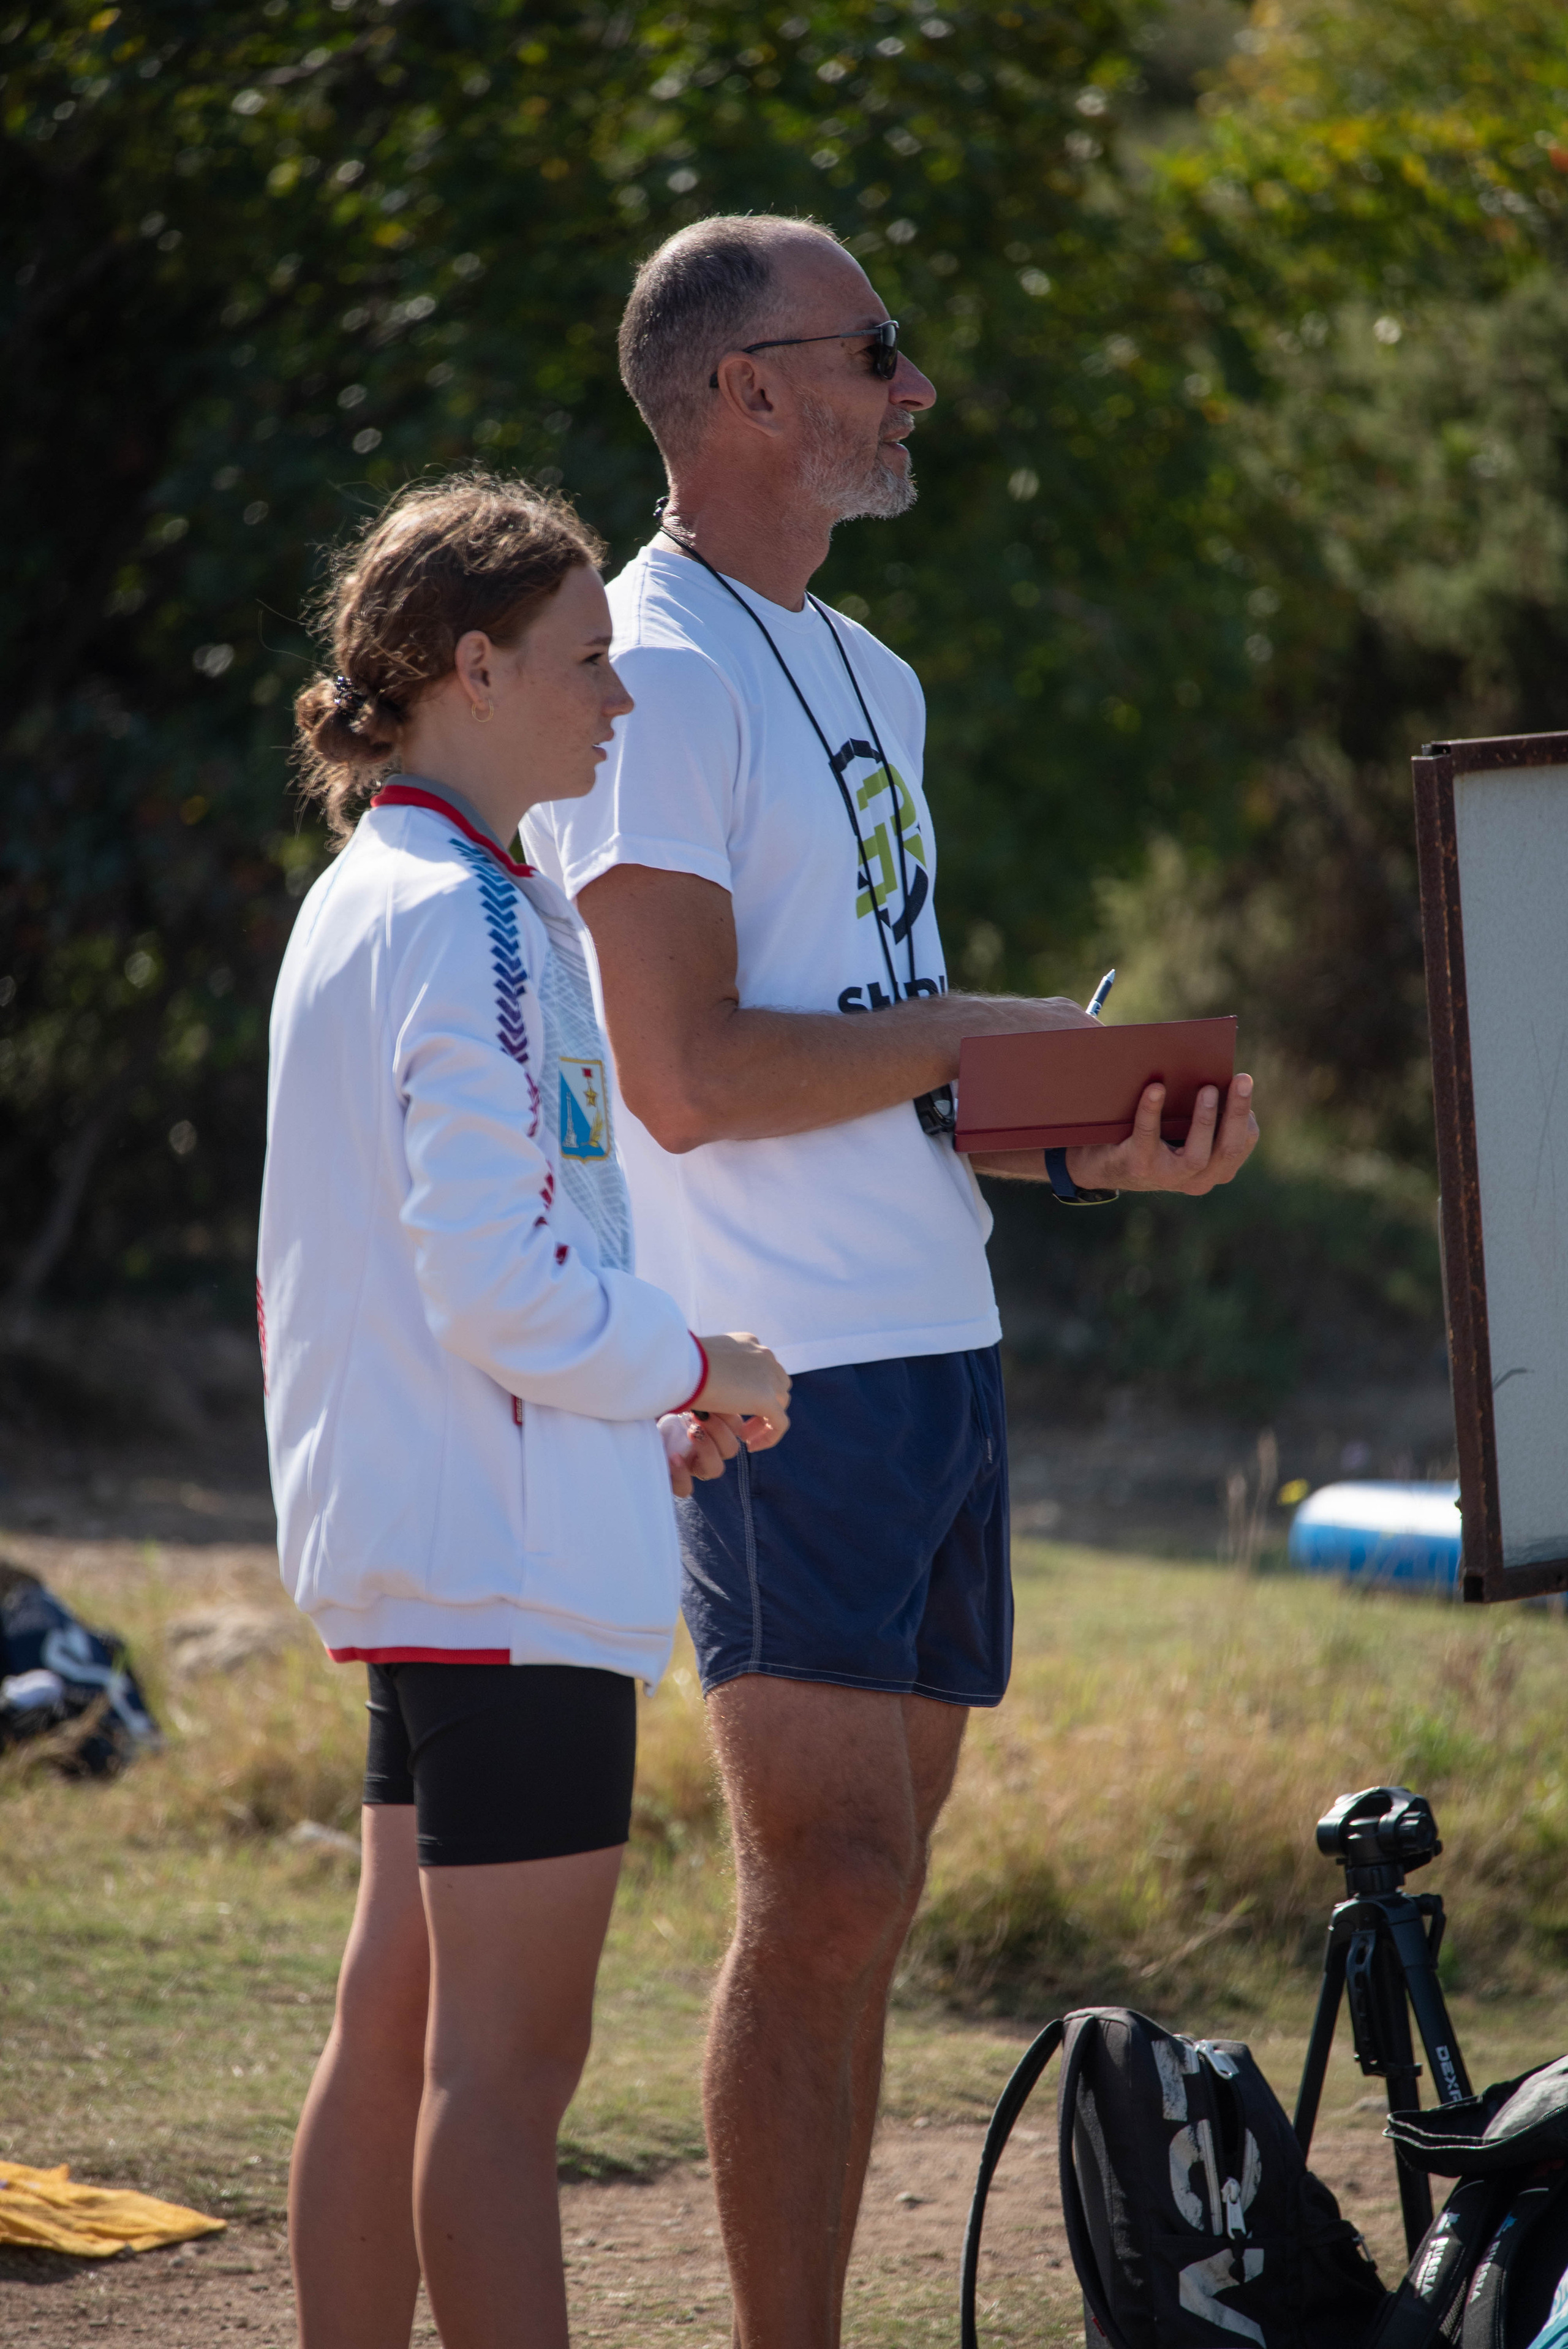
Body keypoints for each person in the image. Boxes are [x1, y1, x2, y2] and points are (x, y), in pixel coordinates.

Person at [520, 216, 1261, 2348]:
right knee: (826, 1885)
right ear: (749, 390)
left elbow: (868, 1036)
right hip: (776, 1368)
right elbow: (681, 1074)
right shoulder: (644, 666)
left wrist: (1091, 1124)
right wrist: (972, 1034)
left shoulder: (872, 668)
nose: (916, 386)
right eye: (880, 350)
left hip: (944, 1335)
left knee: (874, 1899)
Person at [257, 470, 791, 2349]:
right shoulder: (471, 914)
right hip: (503, 1573)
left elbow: (443, 1275)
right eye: (588, 662)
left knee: (392, 2027)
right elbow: (498, 1283)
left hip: (441, 1548)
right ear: (473, 668)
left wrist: (637, 1414)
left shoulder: (374, 895)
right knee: (504, 2073)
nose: (619, 701)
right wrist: (696, 1366)